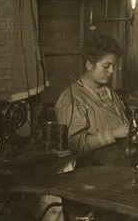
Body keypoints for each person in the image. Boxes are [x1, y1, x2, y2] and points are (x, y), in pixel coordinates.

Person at [55, 34, 129, 166]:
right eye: (106, 66)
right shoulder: (72, 98)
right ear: (89, 64)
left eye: (113, 66)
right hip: (97, 161)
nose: (111, 71)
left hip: (123, 150)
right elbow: (75, 144)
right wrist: (113, 133)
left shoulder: (108, 92)